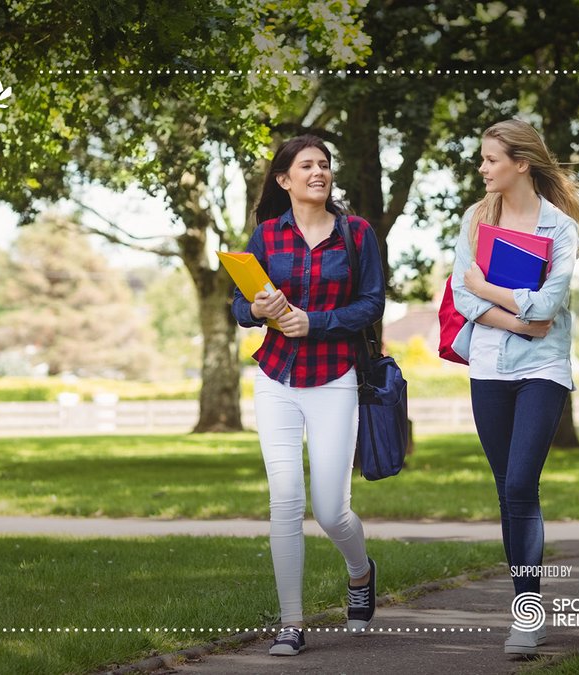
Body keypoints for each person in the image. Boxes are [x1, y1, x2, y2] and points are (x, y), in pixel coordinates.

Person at [231, 134, 385, 656]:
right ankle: (291, 625)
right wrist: (258, 309)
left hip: (333, 377)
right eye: (306, 166)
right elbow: (237, 305)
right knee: (285, 501)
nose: (318, 172)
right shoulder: (266, 236)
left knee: (330, 509)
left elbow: (370, 303)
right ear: (284, 180)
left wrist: (313, 322)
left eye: (324, 165)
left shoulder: (357, 233)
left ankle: (361, 573)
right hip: (275, 378)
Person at [448, 119, 579, 656]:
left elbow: (549, 306)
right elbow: (464, 298)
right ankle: (525, 603)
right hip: (487, 367)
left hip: (543, 371)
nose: (482, 169)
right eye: (482, 160)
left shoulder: (559, 228)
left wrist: (491, 292)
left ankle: (526, 616)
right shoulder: (475, 219)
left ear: (521, 163)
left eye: (490, 160)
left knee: (520, 486)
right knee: (507, 488)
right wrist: (516, 317)